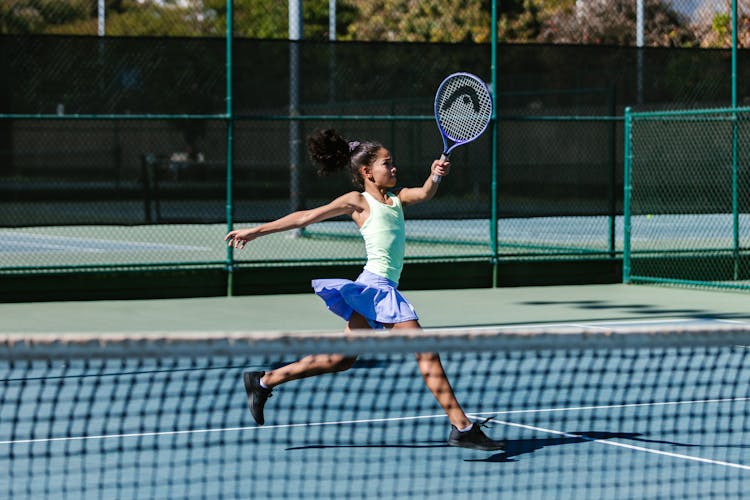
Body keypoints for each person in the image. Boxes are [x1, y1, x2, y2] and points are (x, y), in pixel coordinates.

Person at [225, 129, 505, 451]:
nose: (394, 168)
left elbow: (425, 193)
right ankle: (462, 426)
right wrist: (256, 231)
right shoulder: (357, 201)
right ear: (367, 172)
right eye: (388, 163)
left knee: (339, 359)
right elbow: (305, 217)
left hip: (376, 288)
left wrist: (435, 176)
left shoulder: (397, 200)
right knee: (425, 349)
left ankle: (263, 381)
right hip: (376, 288)